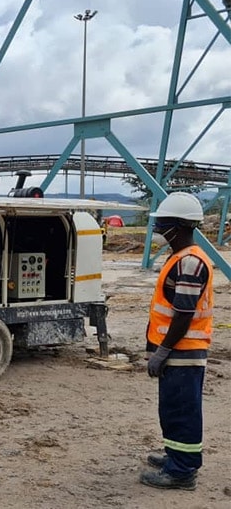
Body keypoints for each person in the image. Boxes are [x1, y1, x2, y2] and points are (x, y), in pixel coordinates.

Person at [140, 192, 213, 491]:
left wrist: (164, 351)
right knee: (172, 408)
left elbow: (183, 314)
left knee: (181, 410)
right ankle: (176, 456)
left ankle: (182, 472)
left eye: (163, 224)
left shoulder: (190, 263)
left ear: (180, 226)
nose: (158, 230)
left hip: (183, 352)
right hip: (177, 351)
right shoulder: (180, 258)